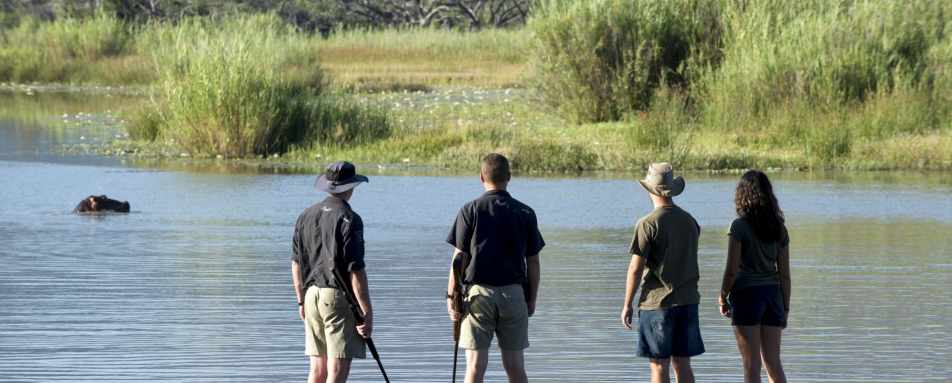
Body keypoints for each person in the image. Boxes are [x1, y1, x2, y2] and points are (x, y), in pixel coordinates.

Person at [446, 153, 545, 383]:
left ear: (481, 177)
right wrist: (531, 299)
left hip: (478, 295)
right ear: (509, 176)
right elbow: (533, 262)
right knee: (515, 366)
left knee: (475, 367)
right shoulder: (525, 212)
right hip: (514, 294)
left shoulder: (470, 210)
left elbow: (459, 259)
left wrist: (452, 297)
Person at [621, 162, 704, 383]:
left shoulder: (647, 224)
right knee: (683, 364)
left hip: (657, 304)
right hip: (688, 301)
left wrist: (627, 304)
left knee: (659, 365)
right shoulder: (690, 221)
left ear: (650, 190)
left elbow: (635, 268)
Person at [291, 161, 374, 383]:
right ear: (351, 187)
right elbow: (355, 270)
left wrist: (301, 301)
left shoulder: (306, 215)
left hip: (311, 295)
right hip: (338, 298)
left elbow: (296, 263)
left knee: (317, 370)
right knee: (337, 371)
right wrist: (367, 311)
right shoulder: (350, 219)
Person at [718, 170, 790, 383]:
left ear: (742, 195)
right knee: (773, 363)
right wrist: (785, 307)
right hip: (773, 296)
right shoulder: (779, 228)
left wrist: (722, 296)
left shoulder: (739, 226)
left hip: (747, 296)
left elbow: (732, 270)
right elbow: (785, 274)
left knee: (751, 365)